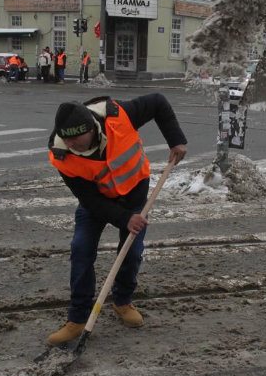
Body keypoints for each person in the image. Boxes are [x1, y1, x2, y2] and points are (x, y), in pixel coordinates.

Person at [45, 94, 188, 345]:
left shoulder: (118, 116)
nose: (72, 145)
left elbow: (157, 102)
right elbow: (89, 200)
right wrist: (124, 218)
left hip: (134, 193)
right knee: (81, 250)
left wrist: (175, 139)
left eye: (77, 139)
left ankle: (122, 301)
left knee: (131, 252)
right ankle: (78, 318)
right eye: (67, 139)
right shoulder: (61, 154)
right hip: (97, 203)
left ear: (92, 128)